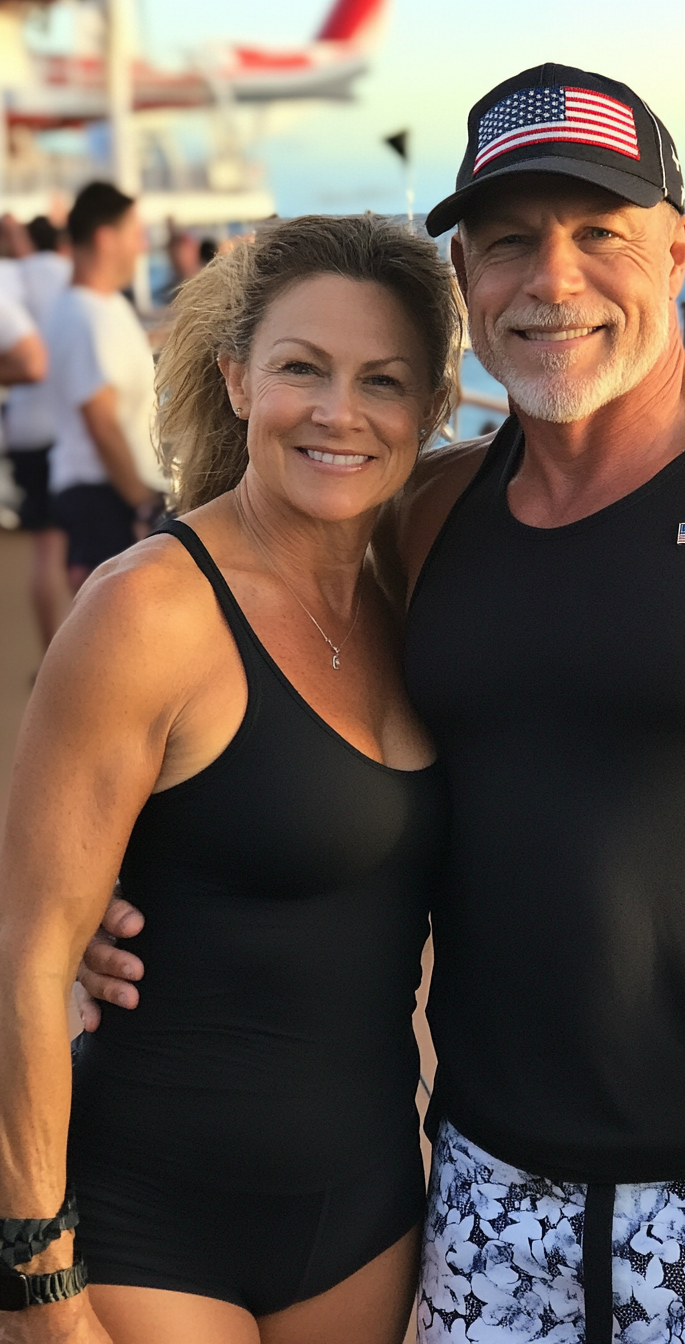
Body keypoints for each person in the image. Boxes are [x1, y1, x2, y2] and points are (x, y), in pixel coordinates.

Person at [81, 65, 685, 1344]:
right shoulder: (425, 517)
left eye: (598, 235)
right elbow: (274, 711)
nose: (552, 280)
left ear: (676, 250)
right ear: (463, 275)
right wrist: (113, 892)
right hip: (476, 1200)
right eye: (507, 240)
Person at [0, 214, 461, 1343]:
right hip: (153, 1223)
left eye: (382, 381)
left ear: (428, 412)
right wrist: (35, 1287)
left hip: (367, 1217)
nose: (337, 412)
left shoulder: (421, 601)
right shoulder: (146, 611)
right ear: (237, 380)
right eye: (301, 367)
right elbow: (23, 960)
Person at [44, 181, 167, 593]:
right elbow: (100, 421)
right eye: (135, 233)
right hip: (102, 494)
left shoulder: (105, 306)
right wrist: (143, 503)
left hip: (108, 491)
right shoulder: (84, 316)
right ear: (105, 238)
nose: (141, 245)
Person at [2, 215, 74, 646]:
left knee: (45, 551)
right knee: (77, 550)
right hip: (67, 427)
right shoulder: (66, 275)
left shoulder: (11, 278)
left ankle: (52, 652)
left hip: (25, 427)